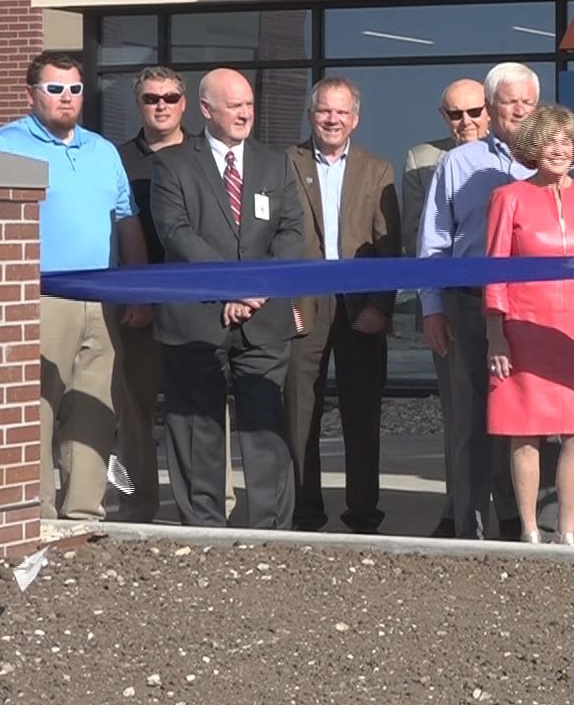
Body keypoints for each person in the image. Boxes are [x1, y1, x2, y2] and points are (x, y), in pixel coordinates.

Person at [0, 51, 149, 523]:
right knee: (38, 408)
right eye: (54, 89)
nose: (66, 98)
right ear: (31, 93)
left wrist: (135, 291)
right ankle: (34, 513)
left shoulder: (103, 151)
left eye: (74, 88)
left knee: (95, 406)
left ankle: (83, 512)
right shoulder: (1, 145)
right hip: (41, 298)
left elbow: (127, 222)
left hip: (100, 299)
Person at [147, 67, 306, 528]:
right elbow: (176, 233)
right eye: (234, 105)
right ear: (206, 110)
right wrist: (229, 287)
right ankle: (204, 528)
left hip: (264, 316)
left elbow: (292, 231)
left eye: (249, 104)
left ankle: (272, 529)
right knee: (197, 429)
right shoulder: (172, 164)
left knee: (265, 428)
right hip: (197, 318)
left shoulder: (275, 163)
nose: (245, 113)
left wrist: (255, 287)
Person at [485, 105, 574, 545]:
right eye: (549, 142)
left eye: (566, 141)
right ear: (532, 148)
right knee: (526, 433)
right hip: (524, 330)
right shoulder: (509, 198)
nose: (559, 150)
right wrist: (496, 334)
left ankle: (567, 530)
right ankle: (528, 529)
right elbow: (495, 270)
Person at [418, 62, 541, 540]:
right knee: (470, 419)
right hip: (468, 304)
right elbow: (434, 241)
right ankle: (468, 524)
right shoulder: (458, 163)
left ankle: (525, 521)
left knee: (531, 415)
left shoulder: (556, 161)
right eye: (511, 103)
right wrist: (432, 309)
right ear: (493, 109)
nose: (520, 111)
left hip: (536, 305)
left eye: (528, 102)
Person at [282, 77, 399, 533]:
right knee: (299, 413)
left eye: (341, 112)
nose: (332, 120)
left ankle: (363, 513)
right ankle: (305, 511)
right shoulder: (284, 164)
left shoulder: (377, 168)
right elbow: (276, 238)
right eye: (324, 111)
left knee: (362, 413)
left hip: (360, 306)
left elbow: (390, 246)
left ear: (356, 119)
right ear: (311, 115)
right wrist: (282, 303)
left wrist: (382, 307)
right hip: (303, 303)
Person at [402, 77, 490, 537]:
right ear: (444, 117)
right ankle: (458, 509)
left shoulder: (515, 155)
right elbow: (419, 234)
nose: (466, 122)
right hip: (449, 302)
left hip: (502, 303)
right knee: (460, 413)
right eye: (456, 114)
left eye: (474, 112)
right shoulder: (423, 160)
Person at [111, 65, 188, 522]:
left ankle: (203, 506)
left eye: (171, 97)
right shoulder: (114, 158)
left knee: (197, 411)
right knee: (134, 414)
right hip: (137, 304)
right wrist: (136, 296)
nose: (161, 105)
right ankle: (136, 505)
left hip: (192, 302)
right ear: (137, 103)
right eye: (151, 98)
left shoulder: (206, 155)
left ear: (185, 102)